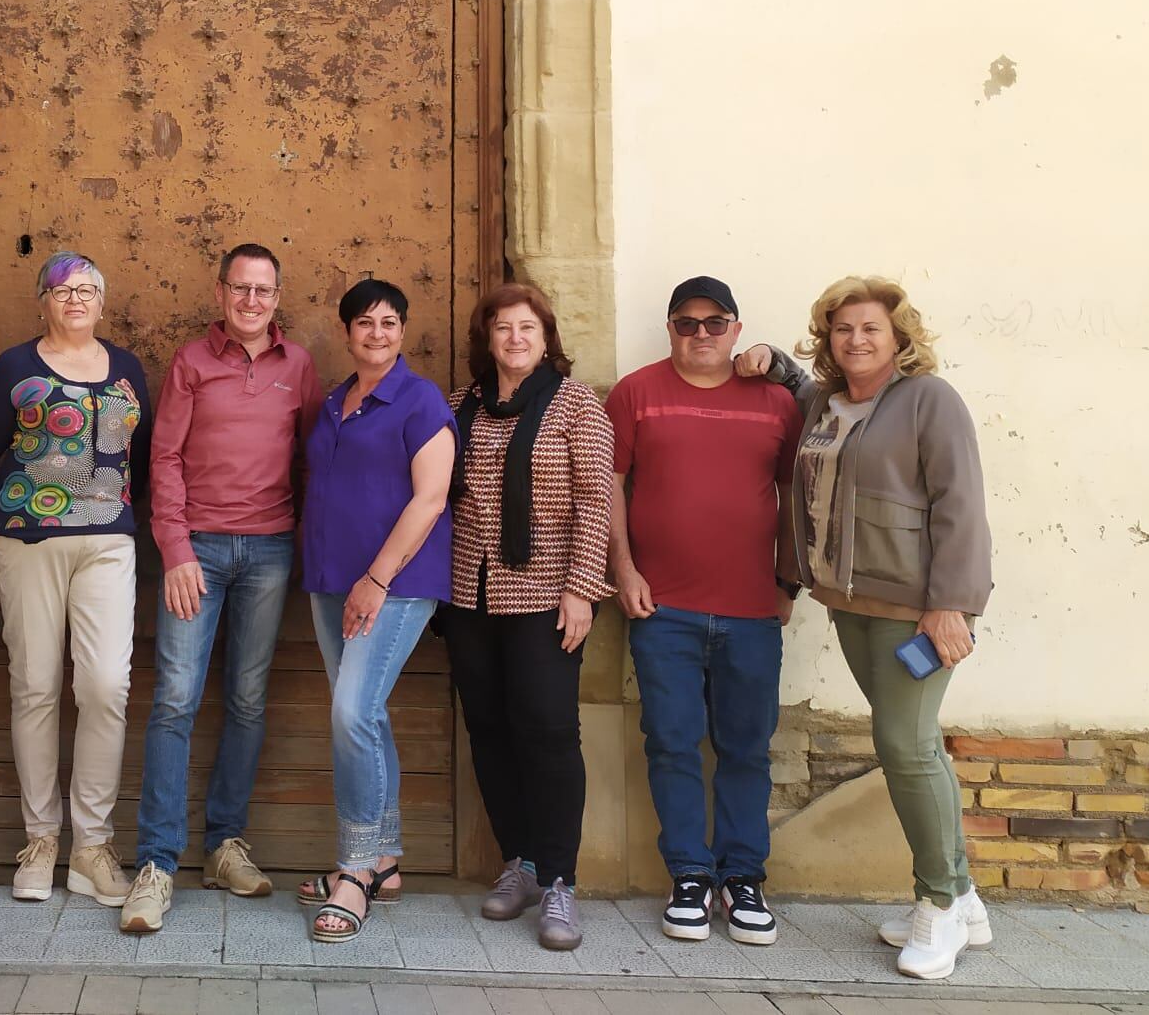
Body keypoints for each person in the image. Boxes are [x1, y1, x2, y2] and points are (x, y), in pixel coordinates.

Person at [736, 275, 992, 980]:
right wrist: (764, 353)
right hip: (849, 603)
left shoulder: (928, 400)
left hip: (916, 607)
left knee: (903, 748)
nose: (855, 340)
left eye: (870, 328)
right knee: (916, 747)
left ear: (899, 336)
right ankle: (966, 895)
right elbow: (793, 389)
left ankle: (938, 906)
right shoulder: (824, 399)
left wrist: (953, 603)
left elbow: (960, 502)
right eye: (842, 329)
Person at [121, 244, 322, 933]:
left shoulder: (297, 366)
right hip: (197, 552)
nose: (252, 301)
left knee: (246, 698)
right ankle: (155, 863)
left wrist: (312, 546)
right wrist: (175, 550)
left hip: (269, 550)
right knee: (175, 699)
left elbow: (311, 457)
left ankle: (224, 845)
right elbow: (165, 457)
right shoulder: (190, 362)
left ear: (277, 296)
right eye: (241, 288)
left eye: (264, 290)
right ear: (220, 293)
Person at [604, 275, 804, 948]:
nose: (701, 335)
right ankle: (690, 874)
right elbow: (613, 485)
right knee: (671, 741)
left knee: (746, 747)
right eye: (686, 323)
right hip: (663, 608)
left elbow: (797, 499)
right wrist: (624, 571)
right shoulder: (637, 392)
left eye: (714, 323)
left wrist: (788, 585)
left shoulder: (776, 401)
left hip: (752, 610)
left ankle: (743, 878)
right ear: (670, 329)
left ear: (736, 330)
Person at [0, 252, 151, 909]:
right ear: (42, 299)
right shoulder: (16, 367)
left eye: (88, 288)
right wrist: (4, 531)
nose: (76, 298)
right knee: (36, 688)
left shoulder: (126, 369)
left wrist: (124, 522)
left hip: (107, 546)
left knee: (105, 686)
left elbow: (142, 458)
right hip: (28, 543)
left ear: (104, 301)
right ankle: (41, 840)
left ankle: (92, 848)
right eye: (62, 288)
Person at [442, 282, 615, 953]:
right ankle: (519, 861)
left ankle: (561, 880)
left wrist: (580, 589)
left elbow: (597, 502)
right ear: (486, 340)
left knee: (547, 732)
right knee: (487, 730)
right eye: (503, 328)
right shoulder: (463, 405)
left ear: (547, 339)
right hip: (468, 594)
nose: (515, 338)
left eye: (527, 328)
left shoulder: (576, 405)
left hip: (545, 595)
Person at [294, 279, 455, 944]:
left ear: (404, 330)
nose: (378, 333)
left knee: (352, 712)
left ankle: (355, 870)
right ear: (347, 331)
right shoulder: (336, 401)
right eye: (366, 322)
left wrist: (376, 578)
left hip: (394, 583)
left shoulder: (420, 400)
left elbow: (431, 499)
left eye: (390, 322)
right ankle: (386, 857)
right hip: (331, 578)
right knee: (365, 711)